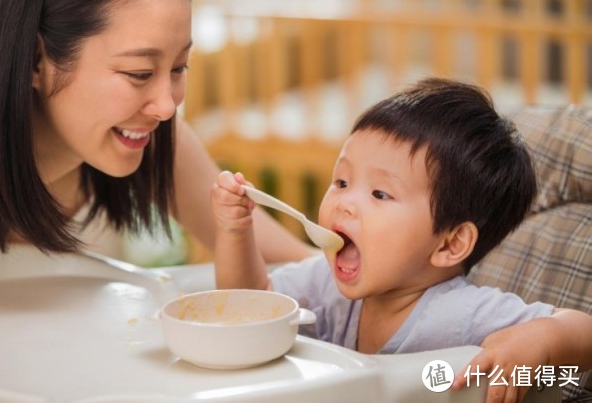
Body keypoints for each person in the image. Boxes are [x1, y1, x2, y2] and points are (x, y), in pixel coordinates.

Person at [212, 78, 592, 403]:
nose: (344, 202)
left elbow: (585, 333)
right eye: (342, 182)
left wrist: (544, 338)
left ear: (449, 244)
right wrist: (235, 231)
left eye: (380, 194)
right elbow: (249, 306)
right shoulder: (325, 285)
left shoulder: (462, 315)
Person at [0, 0, 317, 263]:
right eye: (139, 73)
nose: (167, 107)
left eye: (178, 68)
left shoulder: (144, 136)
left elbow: (292, 264)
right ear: (36, 60)